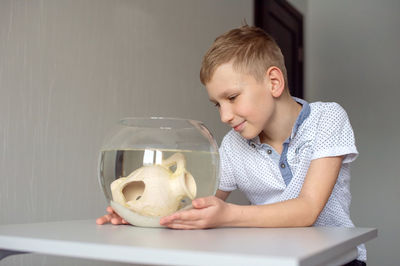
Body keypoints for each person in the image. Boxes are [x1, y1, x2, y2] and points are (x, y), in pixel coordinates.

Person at [96, 25, 366, 264]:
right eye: (218, 105)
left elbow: (308, 209)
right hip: (273, 260)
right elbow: (201, 207)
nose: (224, 116)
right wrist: (141, 214)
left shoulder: (327, 118)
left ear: (274, 82)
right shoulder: (233, 144)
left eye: (233, 97)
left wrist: (227, 215)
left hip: (338, 260)